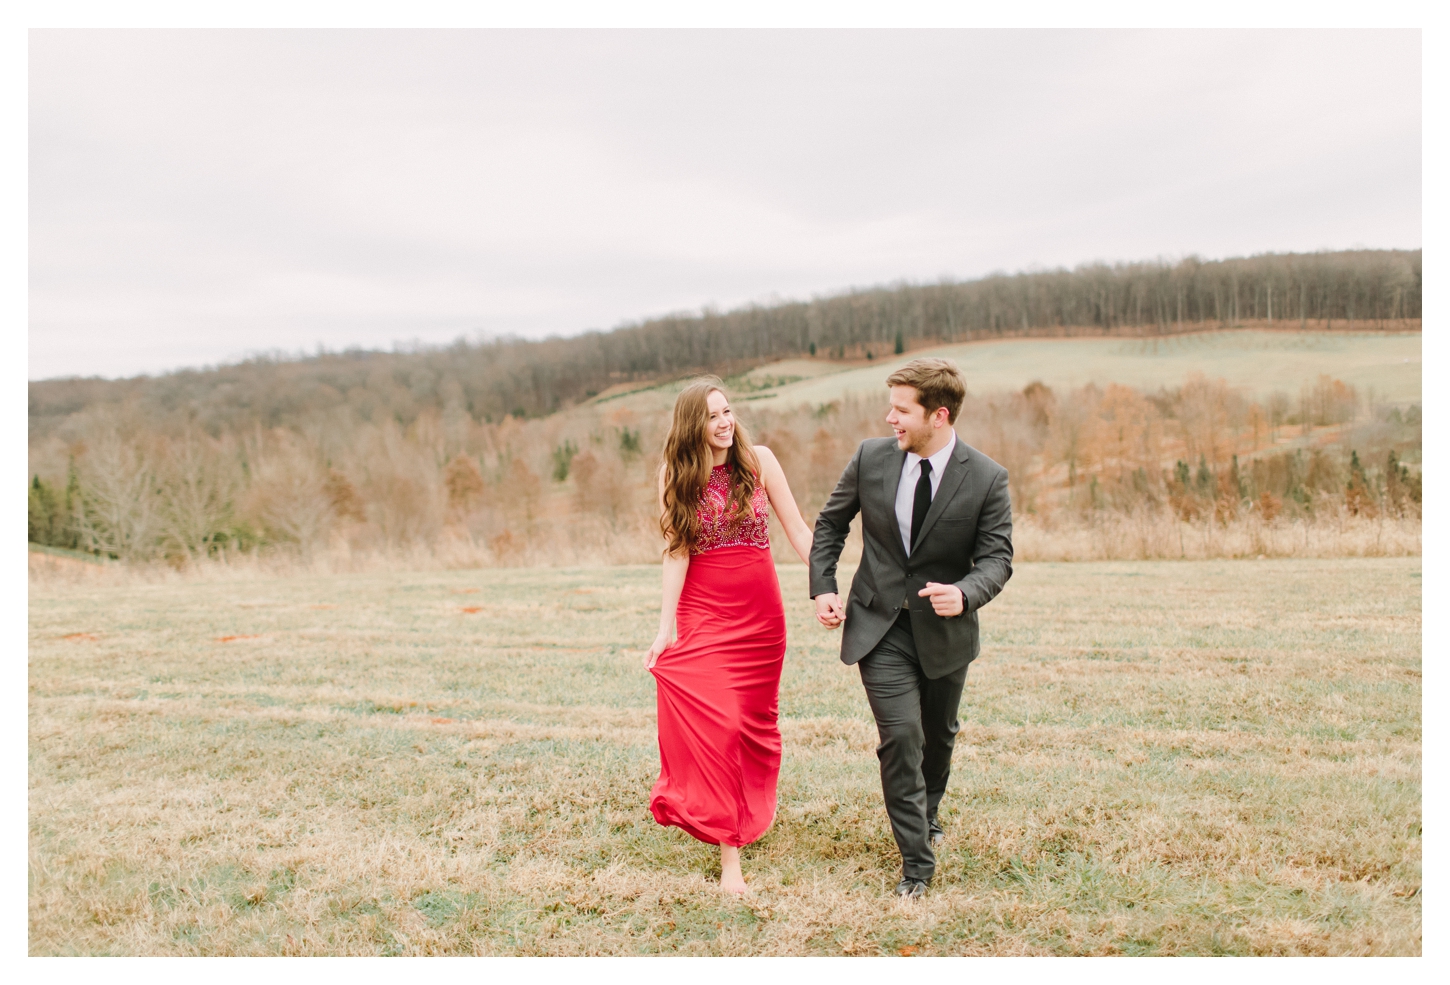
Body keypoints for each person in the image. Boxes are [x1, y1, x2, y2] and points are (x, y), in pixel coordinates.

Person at [809, 358, 1013, 900]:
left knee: (937, 736)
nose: (890, 418)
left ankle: (928, 811)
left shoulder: (988, 478)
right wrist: (823, 586)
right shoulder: (870, 458)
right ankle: (916, 866)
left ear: (939, 416)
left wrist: (965, 593)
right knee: (901, 737)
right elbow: (831, 523)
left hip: (945, 631)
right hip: (878, 624)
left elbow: (997, 559)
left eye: (901, 410)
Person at [644, 377, 814, 894]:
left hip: (762, 616)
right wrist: (664, 625)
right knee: (722, 727)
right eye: (713, 415)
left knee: (753, 726)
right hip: (705, 612)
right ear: (693, 424)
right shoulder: (675, 474)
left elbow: (798, 528)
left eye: (728, 411)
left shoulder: (758, 460)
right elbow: (676, 551)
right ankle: (730, 858)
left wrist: (828, 585)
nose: (725, 423)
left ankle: (754, 801)